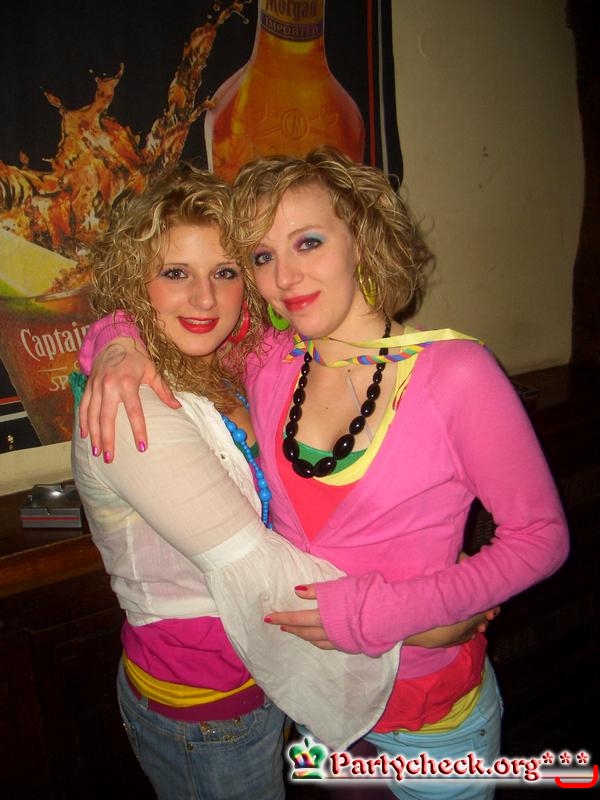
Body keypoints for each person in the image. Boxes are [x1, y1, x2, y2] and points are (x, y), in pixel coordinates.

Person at [77, 147, 569, 799]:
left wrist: (398, 613)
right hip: (316, 707)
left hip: (429, 714)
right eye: (261, 256)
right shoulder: (269, 363)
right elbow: (164, 308)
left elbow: (541, 538)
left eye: (307, 242)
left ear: (361, 237)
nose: (285, 276)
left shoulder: (456, 373)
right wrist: (116, 339)